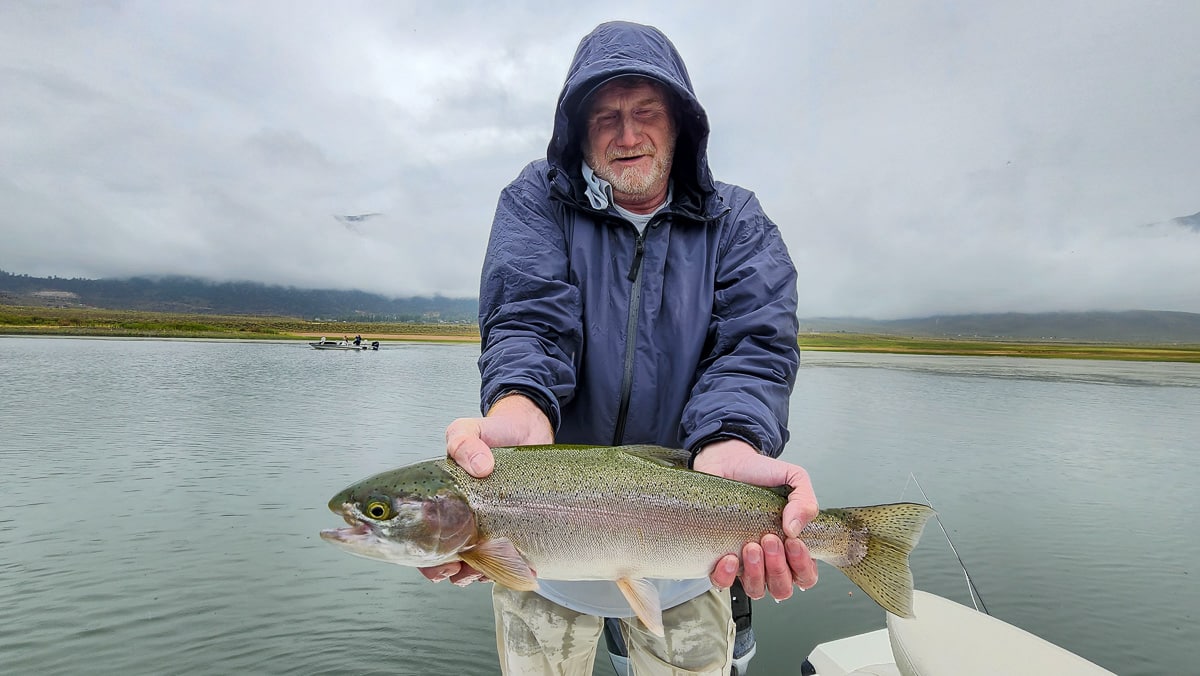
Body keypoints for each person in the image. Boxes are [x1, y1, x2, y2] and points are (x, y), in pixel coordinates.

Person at [427, 21, 819, 675]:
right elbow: (528, 321)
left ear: (681, 124)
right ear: (577, 130)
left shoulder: (739, 222)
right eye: (605, 116)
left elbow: (752, 349)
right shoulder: (535, 202)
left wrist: (731, 439)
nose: (628, 134)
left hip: (688, 548)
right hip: (539, 557)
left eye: (645, 113)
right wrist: (521, 405)